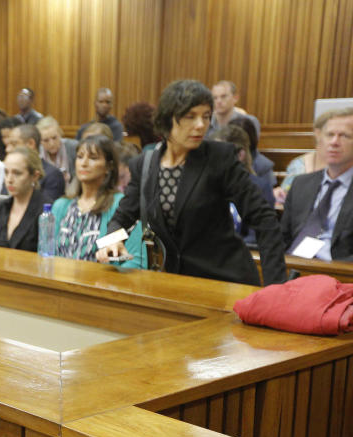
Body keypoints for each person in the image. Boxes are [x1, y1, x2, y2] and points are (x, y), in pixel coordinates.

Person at [99, 79, 286, 286]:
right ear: (168, 119)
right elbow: (122, 217)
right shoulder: (145, 164)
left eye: (206, 117)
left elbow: (264, 219)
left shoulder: (219, 158)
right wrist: (111, 242)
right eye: (190, 116)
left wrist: (275, 287)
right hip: (174, 282)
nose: (201, 125)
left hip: (225, 282)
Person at [50, 136, 144, 268]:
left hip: (102, 284)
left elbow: (135, 261)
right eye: (80, 156)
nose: (84, 163)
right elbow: (45, 255)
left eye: (93, 158)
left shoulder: (121, 206)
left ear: (109, 167)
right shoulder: (60, 206)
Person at [280, 108, 353, 261]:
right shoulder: (301, 184)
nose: (334, 142)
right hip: (295, 267)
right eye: (330, 135)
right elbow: (283, 238)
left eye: (344, 136)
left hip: (340, 274)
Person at [0, 146, 46, 251]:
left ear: (35, 176)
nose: (9, 180)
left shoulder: (45, 210)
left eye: (17, 173)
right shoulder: (0, 207)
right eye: (6, 172)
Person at [11, 124, 66, 203]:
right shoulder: (9, 170)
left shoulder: (52, 175)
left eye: (14, 144)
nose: (8, 149)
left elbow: (45, 208)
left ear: (30, 143)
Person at [37, 116, 77, 185]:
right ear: (40, 141)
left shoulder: (73, 147)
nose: (51, 144)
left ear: (60, 134)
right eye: (46, 140)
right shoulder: (37, 153)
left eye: (54, 138)